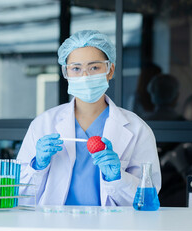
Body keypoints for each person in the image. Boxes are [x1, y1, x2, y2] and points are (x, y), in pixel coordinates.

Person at [17, 30, 161, 206]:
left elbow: (148, 199)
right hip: (55, 227)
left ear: (110, 70)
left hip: (110, 229)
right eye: (76, 68)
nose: (85, 76)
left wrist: (117, 177)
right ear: (66, 73)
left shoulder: (137, 129)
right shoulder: (43, 124)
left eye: (94, 67)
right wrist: (37, 166)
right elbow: (20, 194)